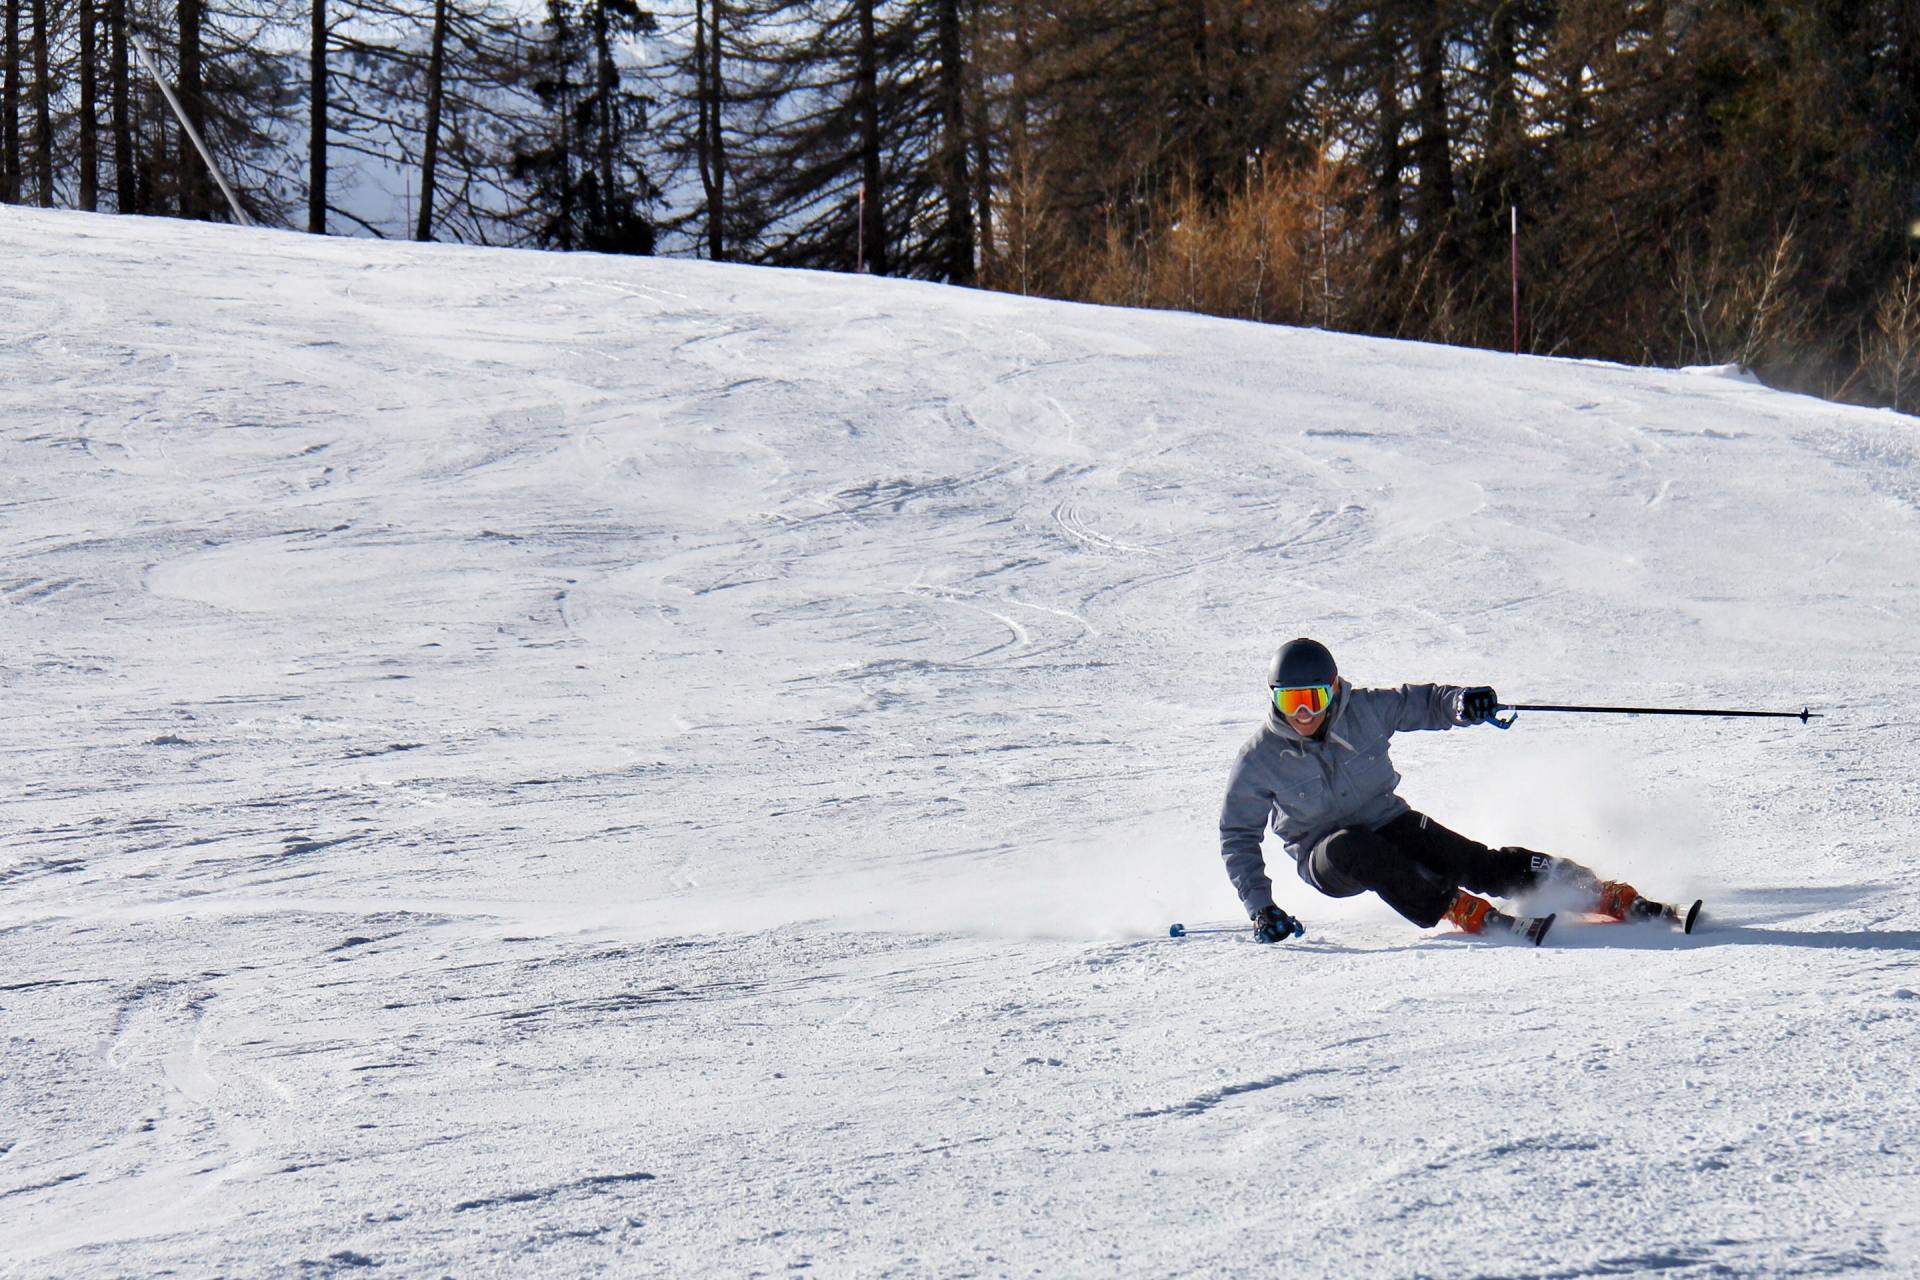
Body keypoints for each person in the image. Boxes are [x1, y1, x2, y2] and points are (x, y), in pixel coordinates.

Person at [1218, 637, 1661, 943]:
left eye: (1311, 699)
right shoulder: (1258, 759)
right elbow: (1238, 836)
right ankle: (1452, 906)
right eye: (1288, 701)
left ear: (1333, 690)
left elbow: (1424, 702)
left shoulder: (1366, 710)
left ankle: (1590, 889)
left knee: (1472, 861)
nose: (1301, 714)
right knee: (1352, 847)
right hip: (1328, 857)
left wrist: (1464, 703)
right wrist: (1262, 908)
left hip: (1387, 820)